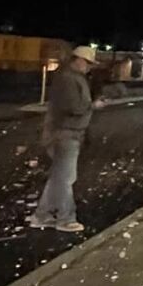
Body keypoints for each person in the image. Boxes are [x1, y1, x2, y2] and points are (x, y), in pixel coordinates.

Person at [29, 45, 101, 233]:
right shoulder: (68, 79)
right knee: (66, 178)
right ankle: (66, 219)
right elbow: (74, 107)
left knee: (59, 177)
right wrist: (93, 105)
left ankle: (41, 216)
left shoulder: (72, 77)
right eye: (88, 63)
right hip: (64, 134)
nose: (90, 67)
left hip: (67, 133)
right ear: (79, 60)